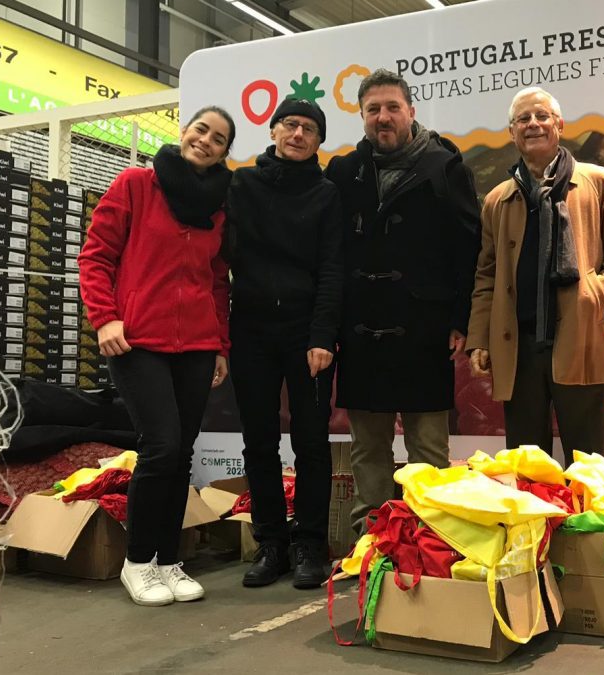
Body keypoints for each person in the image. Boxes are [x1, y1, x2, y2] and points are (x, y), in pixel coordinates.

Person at [79, 106, 235, 606]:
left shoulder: (218, 207)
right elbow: (96, 255)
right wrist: (104, 316)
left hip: (195, 345)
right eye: (201, 129)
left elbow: (215, 281)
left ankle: (169, 560)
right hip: (136, 340)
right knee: (162, 446)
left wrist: (219, 345)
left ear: (224, 153)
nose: (206, 140)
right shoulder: (136, 185)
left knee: (182, 451)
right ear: (184, 131)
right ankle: (138, 561)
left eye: (218, 139)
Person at [326, 69, 481, 535]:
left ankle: (434, 537)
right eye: (373, 109)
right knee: (367, 448)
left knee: (429, 447)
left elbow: (469, 250)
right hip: (361, 331)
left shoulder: (446, 167)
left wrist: (462, 320)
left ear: (411, 111)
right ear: (362, 116)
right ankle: (369, 539)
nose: (383, 117)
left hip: (425, 329)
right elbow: (330, 254)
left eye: (392, 107)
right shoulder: (343, 171)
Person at [466, 87, 604, 466]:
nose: (533, 125)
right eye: (523, 119)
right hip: (518, 348)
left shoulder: (596, 181)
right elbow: (486, 274)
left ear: (559, 125)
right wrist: (480, 336)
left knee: (591, 462)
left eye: (542, 116)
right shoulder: (497, 199)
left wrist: (596, 296)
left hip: (579, 340)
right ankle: (535, 527)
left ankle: (595, 527)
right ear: (512, 132)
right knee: (528, 467)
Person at [225, 98, 343, 589]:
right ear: (273, 130)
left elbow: (333, 270)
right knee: (259, 440)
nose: (299, 134)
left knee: (312, 442)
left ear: (318, 142)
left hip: (306, 335)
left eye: (310, 129)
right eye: (291, 125)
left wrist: (322, 336)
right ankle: (270, 542)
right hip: (250, 330)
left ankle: (309, 543)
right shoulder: (243, 184)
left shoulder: (327, 194)